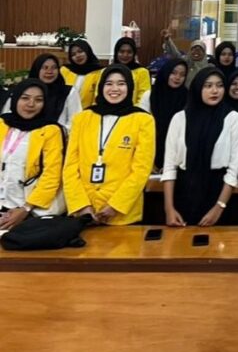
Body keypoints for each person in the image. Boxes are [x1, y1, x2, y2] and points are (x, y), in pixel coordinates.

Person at [63, 65, 155, 225]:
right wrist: (82, 205)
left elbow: (141, 170)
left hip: (122, 215)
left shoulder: (143, 120)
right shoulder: (82, 118)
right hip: (84, 211)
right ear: (101, 86)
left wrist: (115, 206)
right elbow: (70, 166)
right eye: (109, 83)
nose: (115, 89)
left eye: (121, 84)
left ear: (130, 87)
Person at [162, 67, 238, 227]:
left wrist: (219, 207)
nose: (215, 91)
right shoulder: (179, 118)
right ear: (197, 88)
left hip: (218, 191)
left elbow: (233, 169)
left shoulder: (233, 119)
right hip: (184, 191)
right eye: (208, 86)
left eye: (219, 85)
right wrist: (169, 208)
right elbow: (170, 166)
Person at [0, 79, 66, 230]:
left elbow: (52, 175)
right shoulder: (2, 123)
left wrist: (26, 208)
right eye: (25, 98)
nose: (31, 104)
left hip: (27, 209)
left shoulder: (51, 131)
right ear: (15, 99)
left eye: (38, 100)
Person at [1, 53, 81, 129]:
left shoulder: (69, 92)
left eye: (54, 68)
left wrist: (57, 132)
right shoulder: (22, 90)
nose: (49, 72)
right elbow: (8, 115)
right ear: (37, 69)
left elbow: (75, 121)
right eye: (45, 68)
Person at [139, 59, 188, 171]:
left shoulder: (188, 97)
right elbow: (142, 128)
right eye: (174, 73)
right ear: (166, 72)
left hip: (177, 156)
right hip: (150, 151)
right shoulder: (150, 95)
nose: (177, 77)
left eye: (182, 75)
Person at [60, 39, 103, 108]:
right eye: (73, 54)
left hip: (88, 112)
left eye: (80, 51)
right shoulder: (65, 70)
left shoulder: (99, 72)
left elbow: (98, 98)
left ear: (87, 51)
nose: (77, 56)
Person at [111, 37, 151, 105]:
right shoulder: (108, 71)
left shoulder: (142, 72)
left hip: (134, 110)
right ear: (116, 52)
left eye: (129, 52)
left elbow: (143, 98)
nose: (125, 55)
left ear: (134, 54)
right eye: (121, 51)